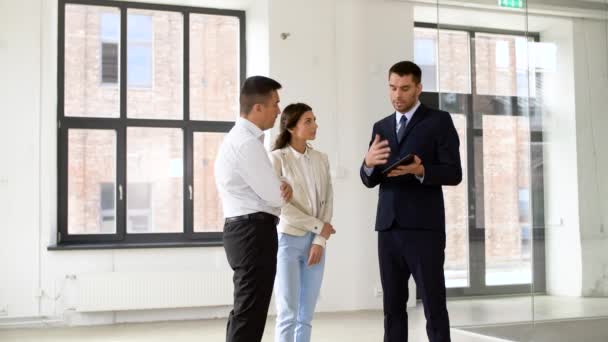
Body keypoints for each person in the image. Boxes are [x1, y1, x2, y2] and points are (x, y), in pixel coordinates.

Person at [360, 61, 462, 342]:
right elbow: (369, 179)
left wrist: (420, 170)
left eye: (405, 89)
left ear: (418, 88)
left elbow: (454, 173)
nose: (397, 95)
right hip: (388, 228)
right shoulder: (380, 126)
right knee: (392, 307)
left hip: (424, 229)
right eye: (392, 88)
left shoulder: (439, 121)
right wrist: (368, 164)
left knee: (433, 304)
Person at [214, 75, 293, 342]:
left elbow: (271, 189)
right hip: (252, 233)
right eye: (275, 103)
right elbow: (274, 195)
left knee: (246, 310)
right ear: (258, 108)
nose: (279, 111)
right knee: (250, 312)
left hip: (245, 230)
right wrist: (281, 188)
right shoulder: (247, 144)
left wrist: (277, 186)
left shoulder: (241, 139)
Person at [269, 103, 335, 342]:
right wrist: (319, 227)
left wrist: (320, 240)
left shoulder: (321, 158)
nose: (315, 125)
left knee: (306, 315)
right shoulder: (276, 159)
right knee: (288, 313)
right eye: (308, 121)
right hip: (288, 241)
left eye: (314, 119)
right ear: (291, 127)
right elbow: (281, 207)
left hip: (316, 243)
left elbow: (328, 200)